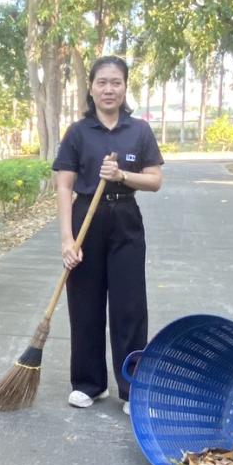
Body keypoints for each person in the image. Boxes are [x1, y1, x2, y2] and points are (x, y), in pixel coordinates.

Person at [52, 56, 164, 416]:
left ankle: (132, 388)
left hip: (126, 218)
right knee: (85, 302)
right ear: (91, 88)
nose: (109, 89)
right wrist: (68, 240)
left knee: (130, 306)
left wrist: (121, 176)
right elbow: (64, 187)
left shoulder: (139, 130)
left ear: (125, 86)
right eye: (102, 82)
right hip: (88, 216)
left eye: (116, 82)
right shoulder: (78, 132)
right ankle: (88, 383)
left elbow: (155, 180)